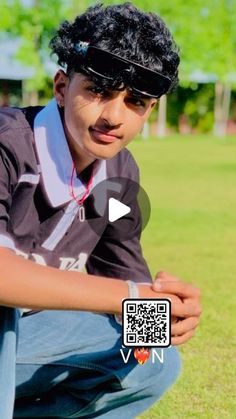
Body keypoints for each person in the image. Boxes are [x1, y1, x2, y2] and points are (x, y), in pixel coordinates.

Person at [0, 3, 201, 418]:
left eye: (137, 102)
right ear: (61, 87)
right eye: (98, 91)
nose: (113, 116)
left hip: (27, 338)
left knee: (152, 363)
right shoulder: (8, 145)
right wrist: (130, 297)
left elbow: (127, 283)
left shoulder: (119, 177)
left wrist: (167, 314)